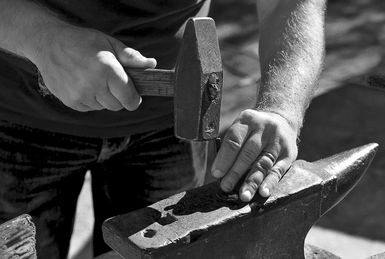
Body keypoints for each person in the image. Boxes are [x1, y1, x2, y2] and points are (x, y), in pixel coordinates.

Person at [0, 0, 326, 258]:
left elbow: (289, 3)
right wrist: (42, 39)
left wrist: (281, 109)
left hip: (170, 131)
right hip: (15, 113)